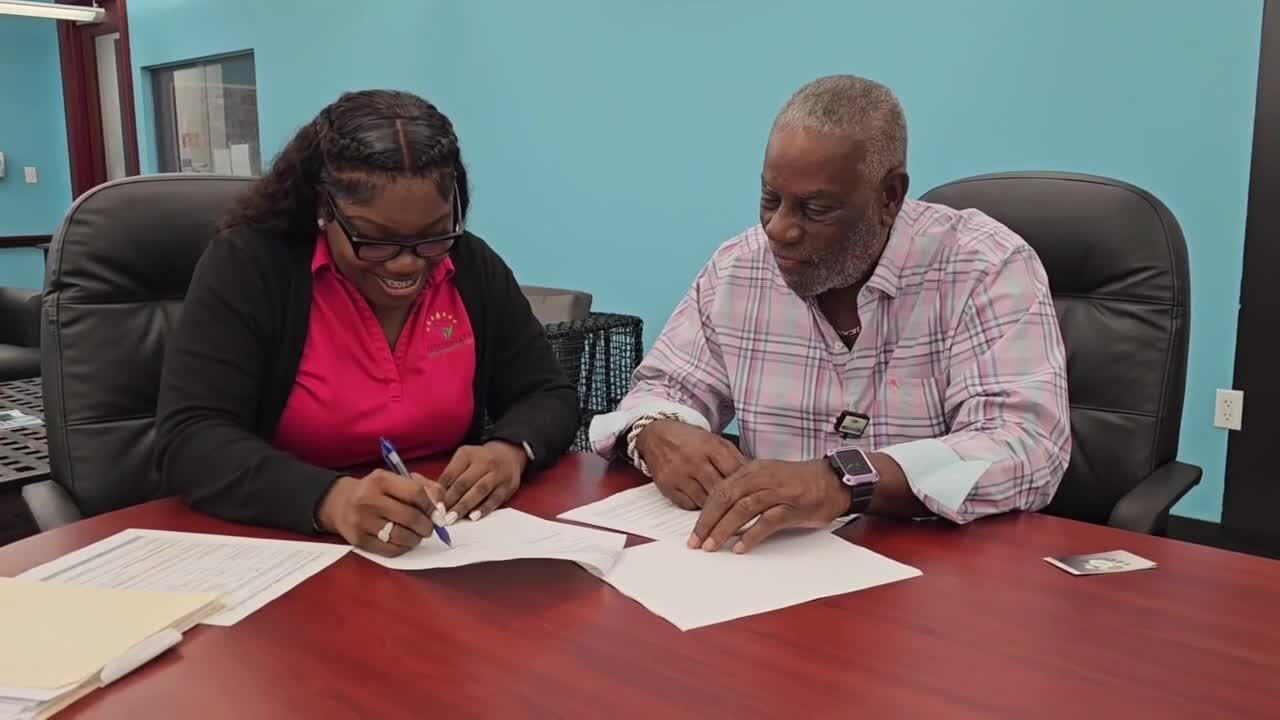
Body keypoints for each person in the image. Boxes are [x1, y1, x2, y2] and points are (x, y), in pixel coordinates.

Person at [590, 75, 1071, 553]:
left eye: (813, 209)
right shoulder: (740, 268)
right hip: (768, 563)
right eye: (769, 199)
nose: (779, 229)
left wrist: (845, 479)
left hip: (934, 574)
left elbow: (1027, 447)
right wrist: (655, 431)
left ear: (889, 197)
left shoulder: (984, 266)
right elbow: (663, 388)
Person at [155, 89, 579, 557]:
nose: (406, 265)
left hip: (437, 548)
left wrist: (510, 450)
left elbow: (547, 392)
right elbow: (190, 438)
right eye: (374, 240)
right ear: (323, 208)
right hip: (283, 549)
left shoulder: (470, 265)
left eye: (433, 235)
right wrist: (332, 500)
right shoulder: (253, 265)